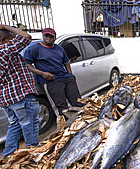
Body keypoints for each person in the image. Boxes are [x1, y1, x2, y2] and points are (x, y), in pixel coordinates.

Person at [23, 28, 84, 118]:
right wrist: (42, 73)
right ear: (43, 36)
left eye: (51, 36)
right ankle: (67, 126)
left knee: (77, 101)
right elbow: (26, 64)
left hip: (65, 77)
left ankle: (82, 120)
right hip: (51, 80)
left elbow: (66, 61)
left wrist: (70, 74)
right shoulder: (34, 48)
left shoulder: (59, 48)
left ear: (54, 38)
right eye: (46, 36)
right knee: (61, 106)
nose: (48, 38)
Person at [0, 25, 40, 156]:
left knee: (15, 124)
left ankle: (8, 154)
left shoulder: (6, 51)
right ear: (3, 40)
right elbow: (26, 37)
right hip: (19, 96)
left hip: (7, 98)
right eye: (10, 39)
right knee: (30, 124)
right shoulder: (4, 50)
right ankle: (32, 152)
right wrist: (5, 26)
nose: (13, 41)